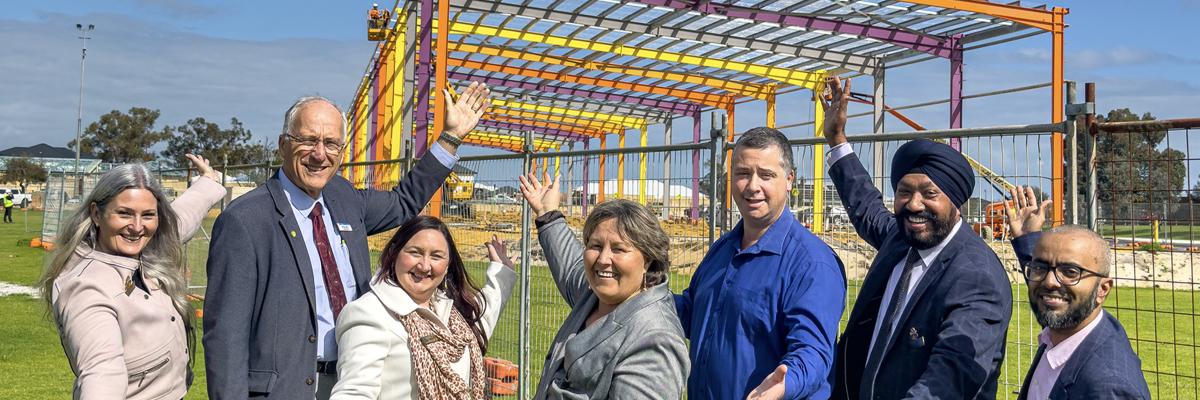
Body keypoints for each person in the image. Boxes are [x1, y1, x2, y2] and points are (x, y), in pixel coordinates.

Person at [203, 82, 491, 400]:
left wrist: (450, 139)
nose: (319, 154)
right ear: (283, 144)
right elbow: (225, 335)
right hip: (285, 389)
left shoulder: (343, 197)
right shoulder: (246, 220)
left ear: (342, 151)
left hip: (355, 378)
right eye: (308, 140)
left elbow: (404, 201)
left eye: (331, 144)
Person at [821, 77, 1012, 400]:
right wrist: (837, 138)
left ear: (955, 201)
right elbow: (866, 205)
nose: (913, 204)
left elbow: (950, 377)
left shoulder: (976, 277)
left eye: (929, 193)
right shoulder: (901, 239)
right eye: (904, 192)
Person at [675, 127, 846, 400]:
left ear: (789, 179)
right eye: (743, 174)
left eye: (766, 175)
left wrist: (785, 384)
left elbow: (813, 352)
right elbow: (694, 313)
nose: (753, 186)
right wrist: (642, 292)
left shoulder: (812, 264)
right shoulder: (723, 248)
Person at [40, 154, 226, 399]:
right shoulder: (87, 286)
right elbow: (102, 371)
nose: (138, 227)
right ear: (97, 214)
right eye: (125, 214)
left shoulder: (144, 248)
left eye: (148, 215)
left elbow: (181, 218)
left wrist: (208, 181)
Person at [520, 173, 690, 399]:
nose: (602, 259)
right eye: (596, 245)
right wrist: (548, 215)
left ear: (648, 259)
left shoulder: (655, 339)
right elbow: (571, 267)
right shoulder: (597, 295)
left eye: (619, 249)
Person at [330, 218, 516, 399]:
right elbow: (353, 392)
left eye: (436, 256)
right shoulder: (369, 313)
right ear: (395, 253)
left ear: (447, 265)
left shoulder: (451, 312)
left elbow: (480, 322)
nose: (424, 265)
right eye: (415, 252)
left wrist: (502, 272)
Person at [1005, 186, 1151, 399]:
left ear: (1102, 290)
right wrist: (1028, 240)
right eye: (1040, 268)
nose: (1050, 282)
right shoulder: (1071, 328)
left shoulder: (1107, 387)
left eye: (1070, 272)